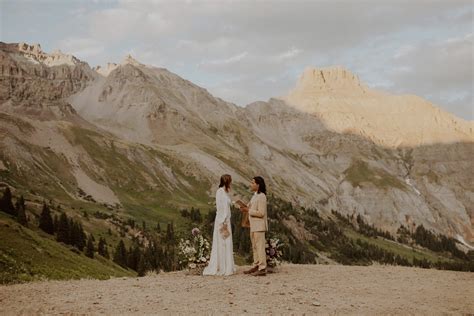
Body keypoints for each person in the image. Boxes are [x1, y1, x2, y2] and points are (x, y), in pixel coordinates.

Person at [203, 174, 236, 276]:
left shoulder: (225, 192)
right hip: (222, 220)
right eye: (230, 181)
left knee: (227, 242)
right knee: (222, 243)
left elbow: (227, 204)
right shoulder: (220, 192)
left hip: (226, 220)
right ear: (227, 182)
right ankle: (222, 267)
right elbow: (220, 207)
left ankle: (228, 266)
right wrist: (223, 221)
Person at [240, 176, 268, 276]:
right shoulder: (255, 195)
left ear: (258, 185)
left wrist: (248, 211)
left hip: (259, 226)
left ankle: (263, 268)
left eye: (252, 183)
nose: (251, 185)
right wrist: (244, 207)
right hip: (253, 225)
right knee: (255, 247)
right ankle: (256, 265)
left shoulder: (262, 196)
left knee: (260, 247)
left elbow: (261, 213)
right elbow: (250, 206)